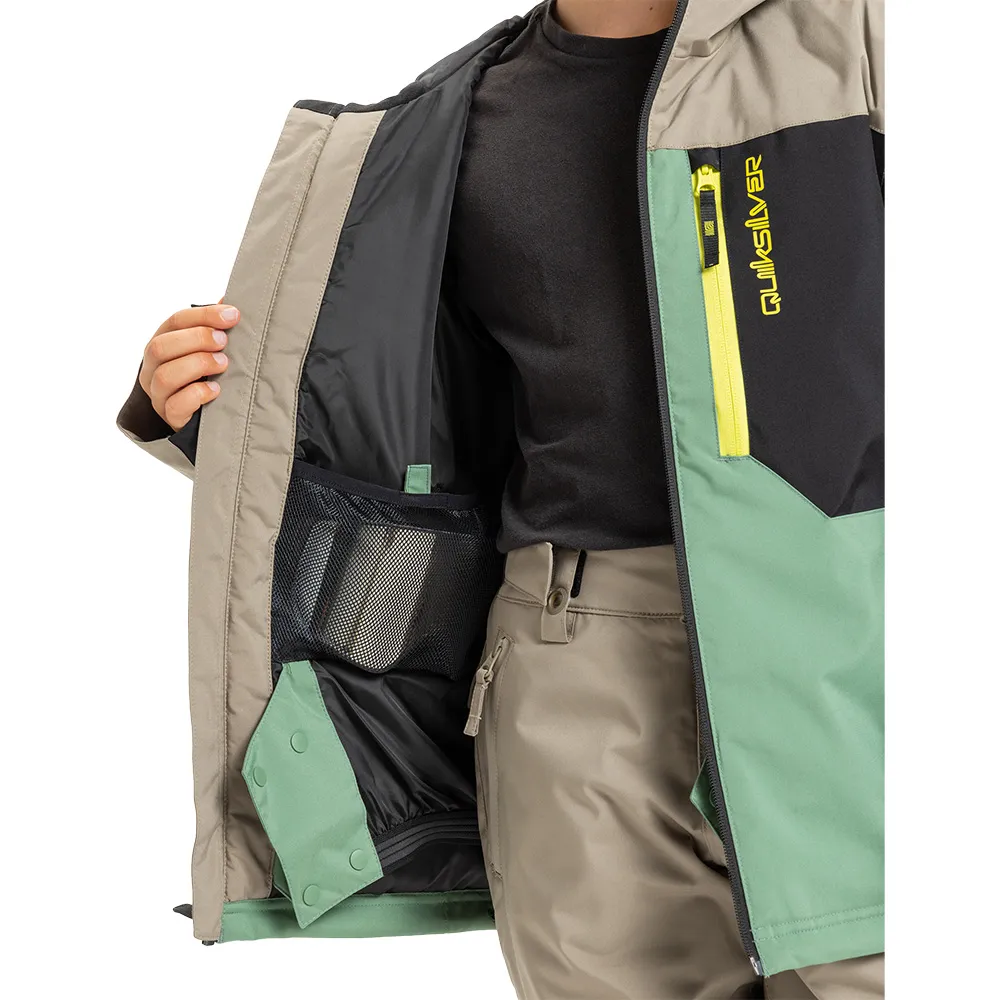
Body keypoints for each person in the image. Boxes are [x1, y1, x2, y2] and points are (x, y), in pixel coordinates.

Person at [119, 1, 884, 997]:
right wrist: (216, 418)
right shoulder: (433, 128)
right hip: (573, 660)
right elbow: (414, 434)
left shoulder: (861, 41)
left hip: (852, 631)